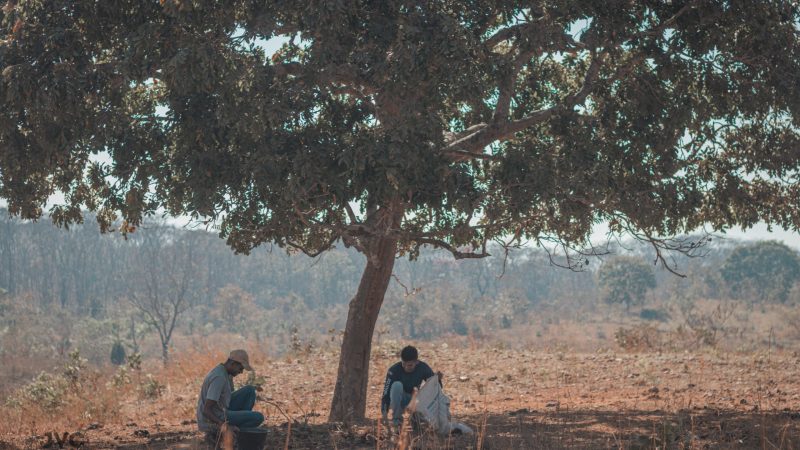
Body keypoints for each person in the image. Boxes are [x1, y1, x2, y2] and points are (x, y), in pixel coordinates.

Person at [196, 349, 264, 436]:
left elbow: (226, 397)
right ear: (232, 363)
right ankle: (236, 433)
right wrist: (224, 426)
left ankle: (238, 428)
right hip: (212, 420)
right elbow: (207, 410)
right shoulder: (219, 377)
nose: (241, 372)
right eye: (240, 368)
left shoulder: (226, 373)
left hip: (221, 410)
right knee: (258, 417)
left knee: (250, 390)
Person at [380, 345, 442, 427]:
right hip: (399, 402)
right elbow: (386, 394)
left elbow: (436, 388)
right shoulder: (393, 370)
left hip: (415, 402)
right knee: (396, 385)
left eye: (409, 365)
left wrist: (437, 380)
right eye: (403, 364)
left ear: (416, 362)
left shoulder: (423, 368)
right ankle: (397, 420)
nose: (405, 367)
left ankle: (416, 419)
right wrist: (384, 414)